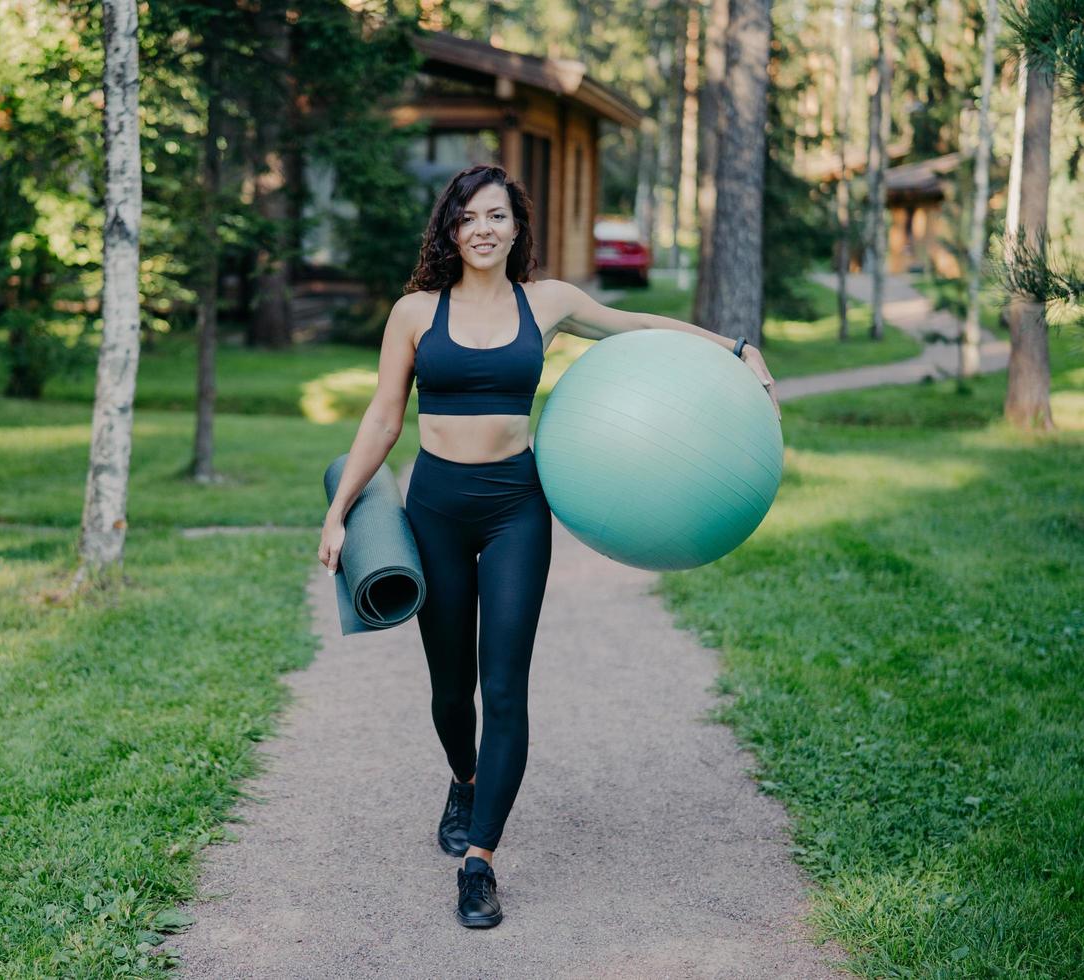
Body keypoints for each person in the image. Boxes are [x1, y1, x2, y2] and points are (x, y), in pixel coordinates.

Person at [317, 164, 779, 929]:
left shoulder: (550, 303)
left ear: (516, 225)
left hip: (514, 514)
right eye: (469, 218)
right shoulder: (413, 313)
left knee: (502, 688)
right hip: (434, 509)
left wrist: (733, 346)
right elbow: (382, 419)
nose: (484, 229)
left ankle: (481, 861)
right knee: (447, 686)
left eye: (497, 215)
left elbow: (641, 328)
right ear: (450, 230)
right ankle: (462, 781)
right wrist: (338, 512)